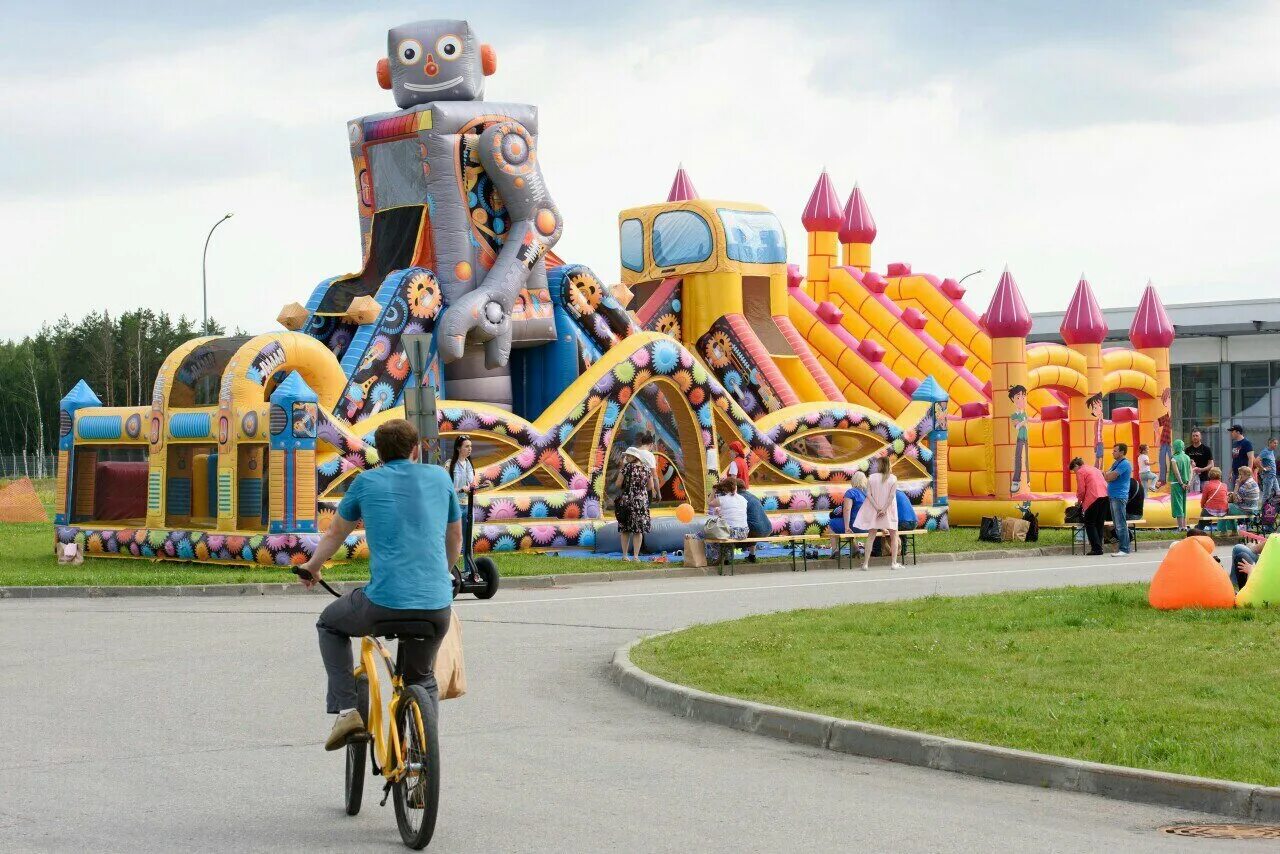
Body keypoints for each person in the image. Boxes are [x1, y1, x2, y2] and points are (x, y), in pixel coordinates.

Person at [298, 419, 461, 751]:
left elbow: (335, 533)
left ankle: (347, 712)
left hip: (382, 604)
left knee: (329, 623)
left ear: (380, 454)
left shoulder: (366, 482)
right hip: (436, 606)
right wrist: (439, 577)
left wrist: (312, 567)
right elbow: (455, 538)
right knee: (422, 678)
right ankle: (422, 757)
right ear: (415, 450)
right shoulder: (440, 478)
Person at [854, 456, 901, 570]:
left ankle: (865, 564)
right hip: (889, 510)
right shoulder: (893, 478)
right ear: (889, 465)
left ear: (879, 465)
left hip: (874, 510)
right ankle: (893, 563)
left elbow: (868, 495)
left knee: (871, 536)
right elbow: (891, 496)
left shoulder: (871, 477)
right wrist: (884, 509)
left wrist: (877, 508)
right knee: (894, 536)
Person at [614, 446, 655, 561]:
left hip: (627, 500)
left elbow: (618, 483)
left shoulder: (627, 468)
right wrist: (641, 491)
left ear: (633, 457)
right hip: (641, 502)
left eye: (628, 456)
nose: (626, 457)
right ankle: (636, 556)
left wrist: (628, 487)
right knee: (638, 530)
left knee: (625, 528)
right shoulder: (646, 468)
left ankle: (625, 555)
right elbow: (651, 486)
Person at [702, 477, 749, 564]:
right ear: (735, 487)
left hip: (731, 532)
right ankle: (727, 559)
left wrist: (713, 491)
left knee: (710, 534)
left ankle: (713, 559)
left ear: (725, 488)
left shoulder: (722, 499)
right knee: (726, 534)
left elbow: (709, 503)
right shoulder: (743, 499)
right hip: (744, 533)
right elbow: (734, 513)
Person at [1071, 456, 1108, 556]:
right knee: (1099, 523)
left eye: (1074, 470)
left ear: (1076, 466)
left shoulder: (1080, 471)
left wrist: (1079, 501)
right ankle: (1100, 547)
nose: (1075, 473)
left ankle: (1096, 548)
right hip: (1105, 496)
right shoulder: (1094, 469)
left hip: (1093, 498)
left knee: (1090, 523)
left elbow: (1081, 490)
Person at [1102, 442, 1132, 556]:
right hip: (1113, 496)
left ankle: (1124, 549)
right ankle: (1123, 548)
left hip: (1119, 496)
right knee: (1117, 524)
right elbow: (1107, 476)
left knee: (1120, 524)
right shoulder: (1116, 463)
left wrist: (1107, 475)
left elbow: (1109, 476)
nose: (1112, 453)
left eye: (1115, 451)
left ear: (1122, 452)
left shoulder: (1124, 464)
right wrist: (1107, 475)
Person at [739, 486, 772, 563]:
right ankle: (752, 555)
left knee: (735, 528)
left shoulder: (739, 497)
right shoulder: (753, 496)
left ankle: (726, 558)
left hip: (755, 529)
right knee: (753, 525)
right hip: (768, 528)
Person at [1008, 384, 1030, 494]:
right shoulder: (1014, 415)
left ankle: (1028, 480)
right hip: (1019, 439)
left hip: (1026, 438)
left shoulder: (1024, 413)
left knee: (1026, 459)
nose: (1021, 399)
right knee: (1018, 458)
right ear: (1013, 399)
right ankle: (1016, 480)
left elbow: (1026, 427)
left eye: (1023, 396)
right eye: (1018, 397)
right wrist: (1024, 422)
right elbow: (1016, 426)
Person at [1169, 439, 1192, 530]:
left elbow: (1176, 472)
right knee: (1183, 504)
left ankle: (1180, 527)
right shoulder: (1187, 457)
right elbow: (1191, 471)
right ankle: (1185, 526)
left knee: (1178, 504)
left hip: (1176, 483)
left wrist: (1181, 483)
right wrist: (1189, 482)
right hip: (1186, 483)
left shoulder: (1174, 458)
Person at [1229, 425, 1254, 491]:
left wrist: (1249, 473)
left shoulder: (1247, 443)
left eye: (1232, 431)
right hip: (1235, 473)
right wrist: (1231, 472)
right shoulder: (1235, 443)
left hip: (1243, 474)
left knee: (1242, 493)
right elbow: (1234, 458)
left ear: (1238, 432)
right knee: (1236, 493)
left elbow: (1251, 459)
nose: (1231, 433)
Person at [1156, 388, 1172, 487]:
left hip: (1171, 442)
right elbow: (1155, 423)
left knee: (1172, 460)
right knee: (1162, 461)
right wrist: (1158, 436)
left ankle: (1172, 478)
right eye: (1167, 399)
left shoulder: (1175, 416)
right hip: (1164, 441)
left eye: (1169, 398)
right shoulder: (1166, 416)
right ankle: (1162, 479)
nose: (1168, 401)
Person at [1086, 393, 1105, 467]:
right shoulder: (1097, 422)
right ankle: (1097, 469)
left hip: (1102, 442)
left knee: (1100, 458)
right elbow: (1096, 435)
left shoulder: (1102, 421)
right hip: (1099, 443)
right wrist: (1095, 444)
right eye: (1094, 408)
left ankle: (1098, 469)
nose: (1096, 410)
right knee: (1098, 458)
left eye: (1100, 406)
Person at [1258, 437, 1279, 501]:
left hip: (1273, 476)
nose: (1276, 445)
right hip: (1268, 477)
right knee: (1266, 495)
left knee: (1278, 493)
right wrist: (1263, 468)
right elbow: (1256, 461)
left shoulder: (1271, 451)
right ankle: (1264, 507)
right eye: (1274, 443)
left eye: (1277, 443)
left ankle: (1272, 506)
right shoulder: (1265, 452)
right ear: (1270, 443)